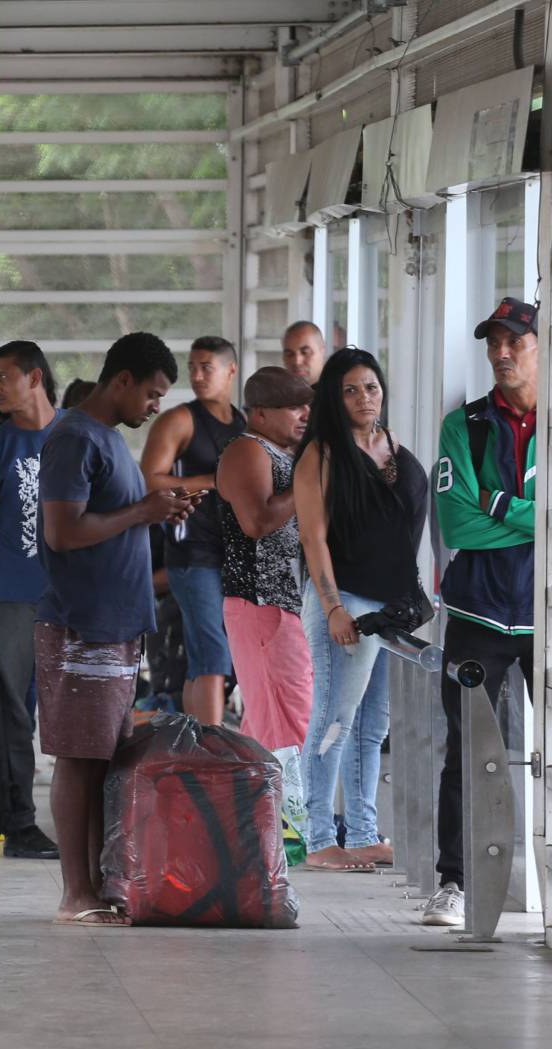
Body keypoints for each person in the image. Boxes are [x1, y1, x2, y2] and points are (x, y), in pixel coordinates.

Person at [37, 333, 191, 927]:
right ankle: (75, 892)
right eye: (151, 394)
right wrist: (144, 511)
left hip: (114, 625)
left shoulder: (106, 439)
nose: (155, 407)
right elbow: (62, 533)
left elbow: (113, 520)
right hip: (82, 626)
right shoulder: (75, 438)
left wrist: (157, 510)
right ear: (122, 380)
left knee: (100, 758)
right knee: (79, 758)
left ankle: (99, 883)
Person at [426, 299, 540, 928]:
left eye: (513, 342)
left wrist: (496, 503)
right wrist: (534, 515)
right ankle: (454, 882)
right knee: (466, 751)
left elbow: (482, 513)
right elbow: (457, 524)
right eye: (493, 343)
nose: (500, 353)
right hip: (477, 614)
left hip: (544, 614)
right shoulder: (464, 426)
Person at [293, 348, 427, 874]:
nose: (363, 397)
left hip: (392, 607)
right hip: (346, 601)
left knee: (373, 726)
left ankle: (365, 833)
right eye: (350, 389)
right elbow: (313, 537)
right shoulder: (322, 454)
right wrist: (332, 608)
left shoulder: (394, 447)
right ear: (334, 397)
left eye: (370, 387)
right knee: (334, 720)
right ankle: (319, 837)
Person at [0, 340, 63, 860]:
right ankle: (20, 824)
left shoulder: (75, 436)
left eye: (4, 376)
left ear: (34, 377)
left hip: (68, 599)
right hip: (7, 602)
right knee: (14, 716)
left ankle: (82, 818)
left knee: (73, 712)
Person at [139, 336, 245, 726]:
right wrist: (210, 481)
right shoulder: (180, 420)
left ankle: (194, 739)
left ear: (230, 370)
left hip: (231, 555)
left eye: (207, 368)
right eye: (193, 368)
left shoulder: (243, 423)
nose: (198, 376)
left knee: (210, 657)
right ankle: (213, 746)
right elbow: (148, 480)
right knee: (213, 654)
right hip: (191, 555)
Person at [216, 367, 315, 753]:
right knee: (290, 724)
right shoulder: (248, 449)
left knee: (274, 722)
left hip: (285, 605)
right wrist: (308, 480)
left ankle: (269, 794)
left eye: (308, 406)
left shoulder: (283, 454)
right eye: (293, 407)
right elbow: (256, 522)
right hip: (262, 603)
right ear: (259, 413)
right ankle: (291, 795)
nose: (305, 415)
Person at [282, 321, 327, 387]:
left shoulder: (337, 390)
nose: (297, 362)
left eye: (305, 352)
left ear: (322, 351)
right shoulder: (278, 390)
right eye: (289, 354)